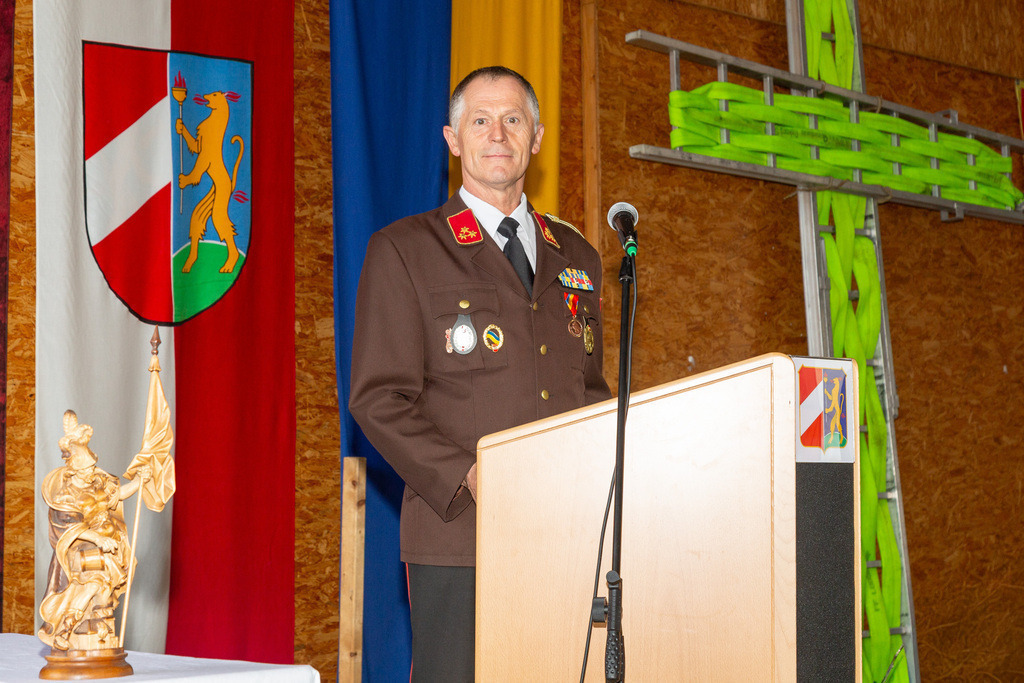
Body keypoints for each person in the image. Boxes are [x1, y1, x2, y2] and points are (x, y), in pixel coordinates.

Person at [349, 65, 611, 681]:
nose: (498, 134)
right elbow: (378, 397)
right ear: (453, 139)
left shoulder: (578, 257)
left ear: (537, 137)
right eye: (480, 120)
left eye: (513, 120)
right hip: (461, 534)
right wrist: (467, 474)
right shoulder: (406, 250)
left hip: (568, 533)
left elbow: (591, 390)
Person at [39, 410, 150, 651]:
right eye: (87, 470)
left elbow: (116, 496)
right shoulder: (65, 496)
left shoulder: (96, 485)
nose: (92, 473)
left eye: (92, 468)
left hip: (109, 543)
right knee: (96, 580)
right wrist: (98, 538)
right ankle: (69, 626)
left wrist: (139, 483)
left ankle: (95, 627)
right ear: (74, 470)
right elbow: (70, 529)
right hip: (79, 547)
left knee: (102, 586)